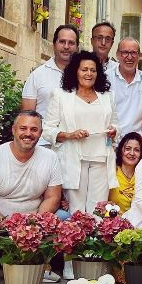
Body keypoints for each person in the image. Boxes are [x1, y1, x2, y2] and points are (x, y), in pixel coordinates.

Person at [43, 51, 118, 215]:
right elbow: (47, 130)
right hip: (73, 159)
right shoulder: (61, 95)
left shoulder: (107, 96)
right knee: (76, 212)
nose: (89, 74)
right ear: (75, 71)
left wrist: (114, 131)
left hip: (101, 159)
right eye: (84, 69)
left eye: (93, 70)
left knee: (98, 211)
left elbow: (116, 125)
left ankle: (97, 240)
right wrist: (70, 135)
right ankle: (77, 240)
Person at [0, 110, 63, 216]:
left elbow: (53, 197)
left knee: (64, 217)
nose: (28, 133)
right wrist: (4, 227)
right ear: (13, 130)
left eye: (34, 130)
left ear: (40, 133)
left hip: (32, 220)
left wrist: (36, 223)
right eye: (23, 128)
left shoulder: (50, 157)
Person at [21, 24, 80, 145]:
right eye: (62, 42)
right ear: (54, 44)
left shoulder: (85, 76)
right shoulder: (38, 75)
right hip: (44, 144)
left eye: (71, 43)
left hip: (76, 145)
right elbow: (27, 116)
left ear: (77, 47)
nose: (66, 47)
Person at [111, 37, 142, 139]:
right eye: (125, 52)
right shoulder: (106, 78)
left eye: (134, 53)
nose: (129, 57)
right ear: (118, 55)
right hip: (109, 141)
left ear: (139, 55)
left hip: (135, 144)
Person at [108, 132, 142, 214]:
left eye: (136, 150)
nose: (132, 153)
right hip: (111, 222)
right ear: (121, 151)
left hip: (137, 223)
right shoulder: (112, 172)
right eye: (128, 149)